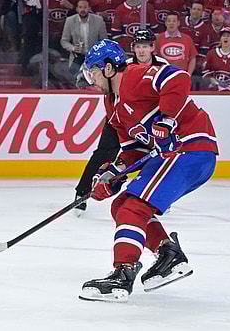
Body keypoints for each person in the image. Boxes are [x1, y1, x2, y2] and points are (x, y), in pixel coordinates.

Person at [78, 38, 217, 302]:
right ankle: (168, 255)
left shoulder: (134, 76)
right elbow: (134, 150)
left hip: (188, 148)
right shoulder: (112, 104)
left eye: (93, 72)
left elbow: (178, 78)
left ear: (108, 69)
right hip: (174, 154)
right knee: (121, 205)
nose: (91, 80)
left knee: (133, 208)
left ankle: (123, 274)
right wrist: (113, 173)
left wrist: (166, 118)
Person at [71, 30, 165, 215]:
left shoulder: (161, 67)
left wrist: (166, 120)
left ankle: (154, 192)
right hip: (121, 117)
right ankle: (83, 191)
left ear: (152, 47)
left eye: (145, 46)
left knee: (151, 154)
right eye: (138, 46)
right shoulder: (124, 67)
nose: (141, 50)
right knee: (104, 152)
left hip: (144, 122)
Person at [61, 0, 107, 77]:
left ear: (89, 8)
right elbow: (64, 41)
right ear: (77, 9)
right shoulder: (69, 21)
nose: (83, 9)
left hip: (94, 57)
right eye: (80, 7)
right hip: (77, 56)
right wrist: (73, 48)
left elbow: (104, 41)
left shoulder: (99, 20)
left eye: (85, 7)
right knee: (73, 80)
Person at [202, 27, 230, 91]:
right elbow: (205, 72)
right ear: (220, 39)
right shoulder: (211, 53)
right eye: (223, 36)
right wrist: (214, 82)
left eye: (228, 36)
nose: (225, 37)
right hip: (213, 88)